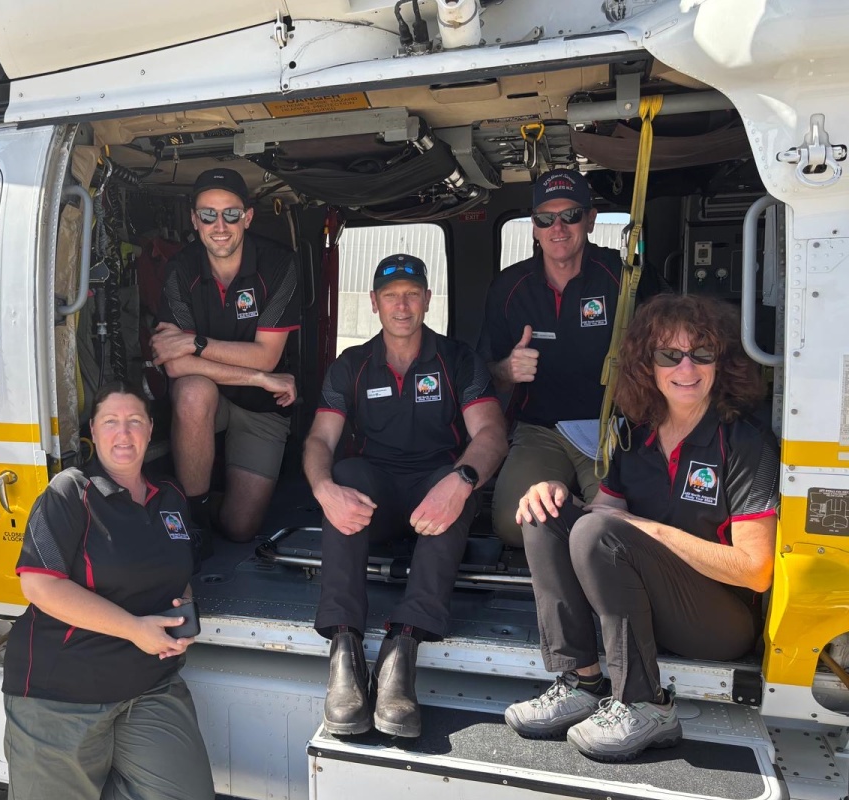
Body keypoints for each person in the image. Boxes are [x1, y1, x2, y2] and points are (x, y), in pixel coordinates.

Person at [504, 294, 778, 762]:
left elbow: (755, 571)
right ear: (647, 364)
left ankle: (646, 705)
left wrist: (646, 528)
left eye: (702, 354)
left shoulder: (744, 440)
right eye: (670, 355)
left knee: (598, 534)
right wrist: (555, 492)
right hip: (651, 607)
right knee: (545, 515)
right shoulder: (634, 431)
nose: (686, 368)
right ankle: (582, 682)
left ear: (721, 361)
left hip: (719, 621)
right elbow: (602, 514)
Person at [304, 254, 508, 738]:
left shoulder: (458, 360)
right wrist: (323, 488)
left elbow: (491, 435)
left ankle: (403, 646)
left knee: (461, 486)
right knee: (346, 473)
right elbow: (319, 441)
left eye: (412, 294)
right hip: (377, 494)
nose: (402, 305)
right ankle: (344, 647)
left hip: (432, 488)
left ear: (427, 300)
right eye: (391, 296)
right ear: (374, 303)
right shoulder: (351, 365)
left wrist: (459, 481)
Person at [2, 381, 214, 800]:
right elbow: (39, 585)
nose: (124, 433)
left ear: (151, 429)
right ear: (93, 432)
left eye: (134, 421)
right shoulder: (69, 491)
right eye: (111, 422)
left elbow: (178, 571)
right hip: (61, 695)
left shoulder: (170, 497)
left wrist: (184, 609)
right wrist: (134, 628)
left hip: (149, 687)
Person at [478, 169, 660, 546]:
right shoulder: (509, 288)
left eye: (571, 215)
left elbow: (670, 356)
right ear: (534, 227)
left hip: (613, 430)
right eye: (545, 218)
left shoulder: (625, 278)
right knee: (514, 528)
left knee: (617, 532)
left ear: (590, 220)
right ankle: (569, 506)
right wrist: (507, 370)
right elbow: (485, 375)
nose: (557, 227)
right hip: (540, 430)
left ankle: (571, 513)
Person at [151, 167, 300, 545]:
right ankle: (192, 524)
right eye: (208, 214)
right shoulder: (180, 270)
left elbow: (266, 356)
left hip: (262, 407)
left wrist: (195, 343)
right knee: (192, 390)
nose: (220, 225)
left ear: (247, 217)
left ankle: (200, 504)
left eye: (231, 214)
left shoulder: (279, 264)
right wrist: (257, 376)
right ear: (194, 221)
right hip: (226, 393)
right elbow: (176, 365)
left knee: (240, 527)